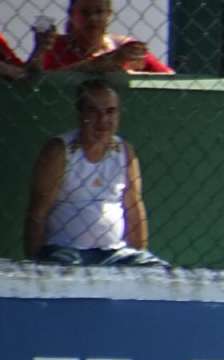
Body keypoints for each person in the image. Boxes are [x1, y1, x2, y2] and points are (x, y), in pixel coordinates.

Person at [24, 79, 168, 266]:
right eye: (93, 111)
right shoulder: (60, 151)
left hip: (115, 253)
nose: (103, 120)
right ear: (80, 113)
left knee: (157, 271)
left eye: (110, 111)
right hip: (65, 252)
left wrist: (138, 255)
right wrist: (35, 263)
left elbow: (134, 207)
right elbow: (37, 212)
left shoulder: (124, 151)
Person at [42, 0, 174, 74]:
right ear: (71, 15)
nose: (93, 19)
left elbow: (169, 78)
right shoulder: (55, 46)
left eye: (99, 12)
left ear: (109, 15)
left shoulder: (123, 46)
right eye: (85, 12)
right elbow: (49, 80)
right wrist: (113, 60)